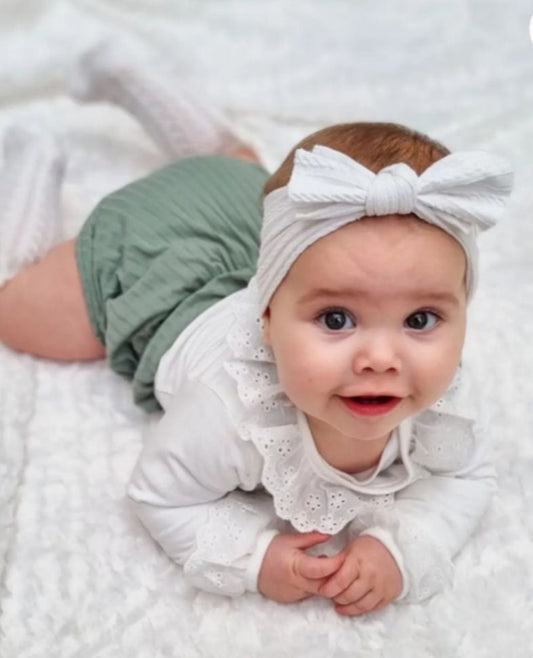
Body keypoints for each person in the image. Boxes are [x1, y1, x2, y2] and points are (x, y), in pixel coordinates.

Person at [0, 41, 513, 617]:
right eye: (336, 319)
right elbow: (158, 495)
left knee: (253, 177)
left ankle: (137, 83)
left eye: (421, 319)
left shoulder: (438, 397)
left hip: (243, 210)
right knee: (17, 312)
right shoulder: (229, 416)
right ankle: (30, 162)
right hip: (165, 261)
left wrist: (402, 548)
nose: (381, 358)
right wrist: (253, 558)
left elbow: (468, 477)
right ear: (265, 320)